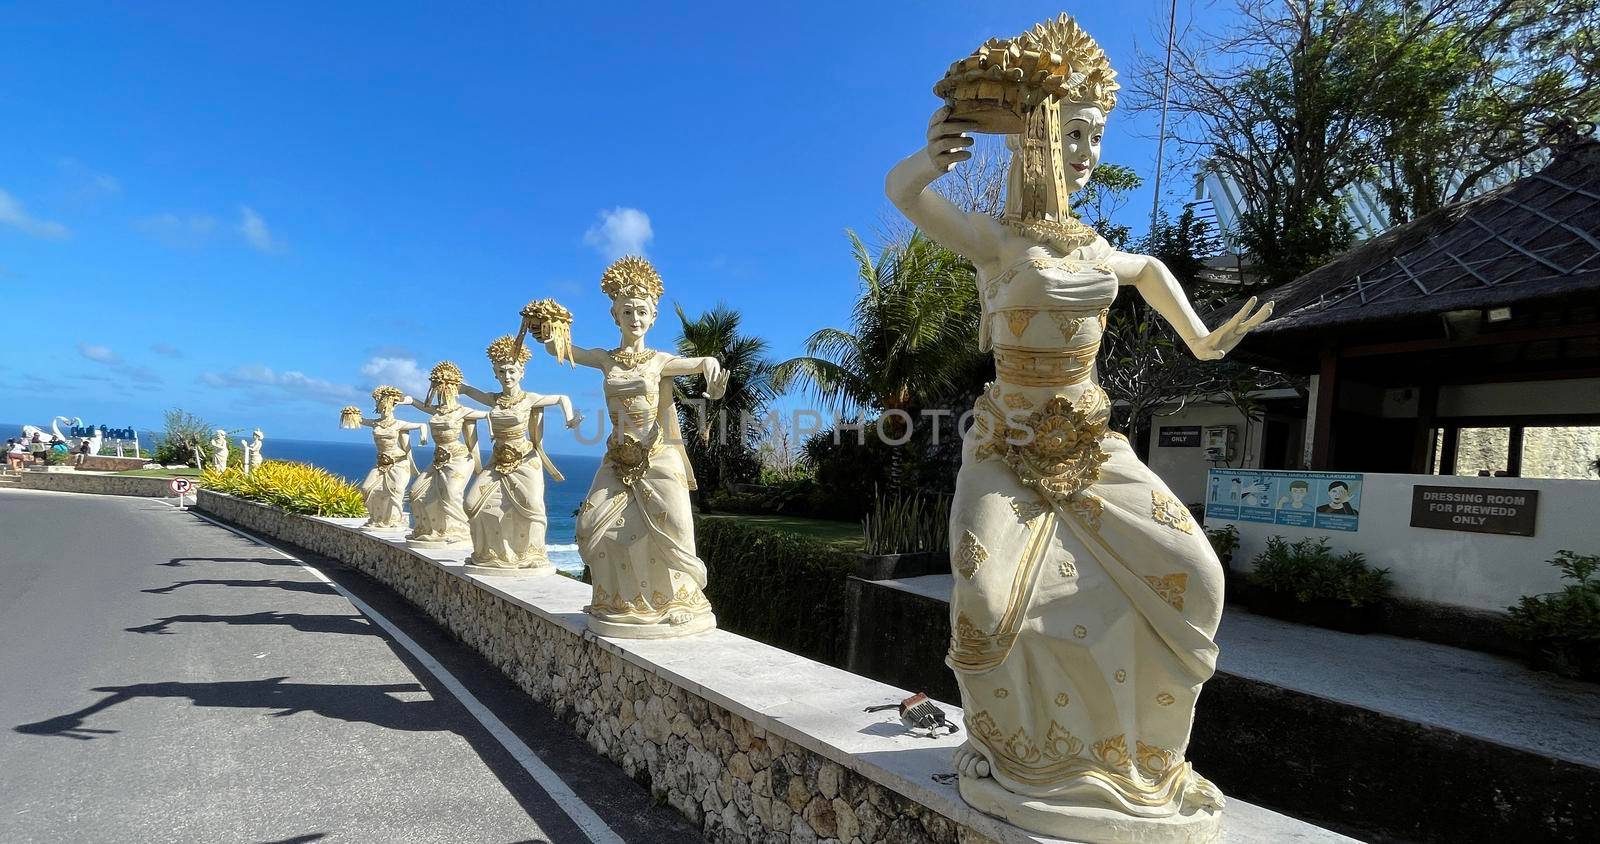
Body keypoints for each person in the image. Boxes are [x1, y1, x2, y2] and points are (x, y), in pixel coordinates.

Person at [885, 13, 1272, 836]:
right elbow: (906, 196)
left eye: (1096, 137)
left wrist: (1203, 339)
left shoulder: (1100, 251)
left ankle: (1137, 758)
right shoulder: (995, 241)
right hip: (1007, 443)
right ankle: (1021, 757)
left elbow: (1152, 270)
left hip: (1092, 445)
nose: (1087, 152)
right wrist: (934, 155)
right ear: (1035, 142)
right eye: (1073, 136)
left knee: (1194, 576)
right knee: (987, 604)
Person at [529, 256, 729, 638]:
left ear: (652, 317)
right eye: (626, 311)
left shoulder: (661, 361)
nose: (634, 318)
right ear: (614, 315)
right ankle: (619, 601)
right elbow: (566, 352)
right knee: (590, 526)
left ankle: (678, 601)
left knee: (674, 530)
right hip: (617, 457)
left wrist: (711, 366)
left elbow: (699, 361)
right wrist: (547, 328)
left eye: (641, 311)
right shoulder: (607, 360)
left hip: (657, 456)